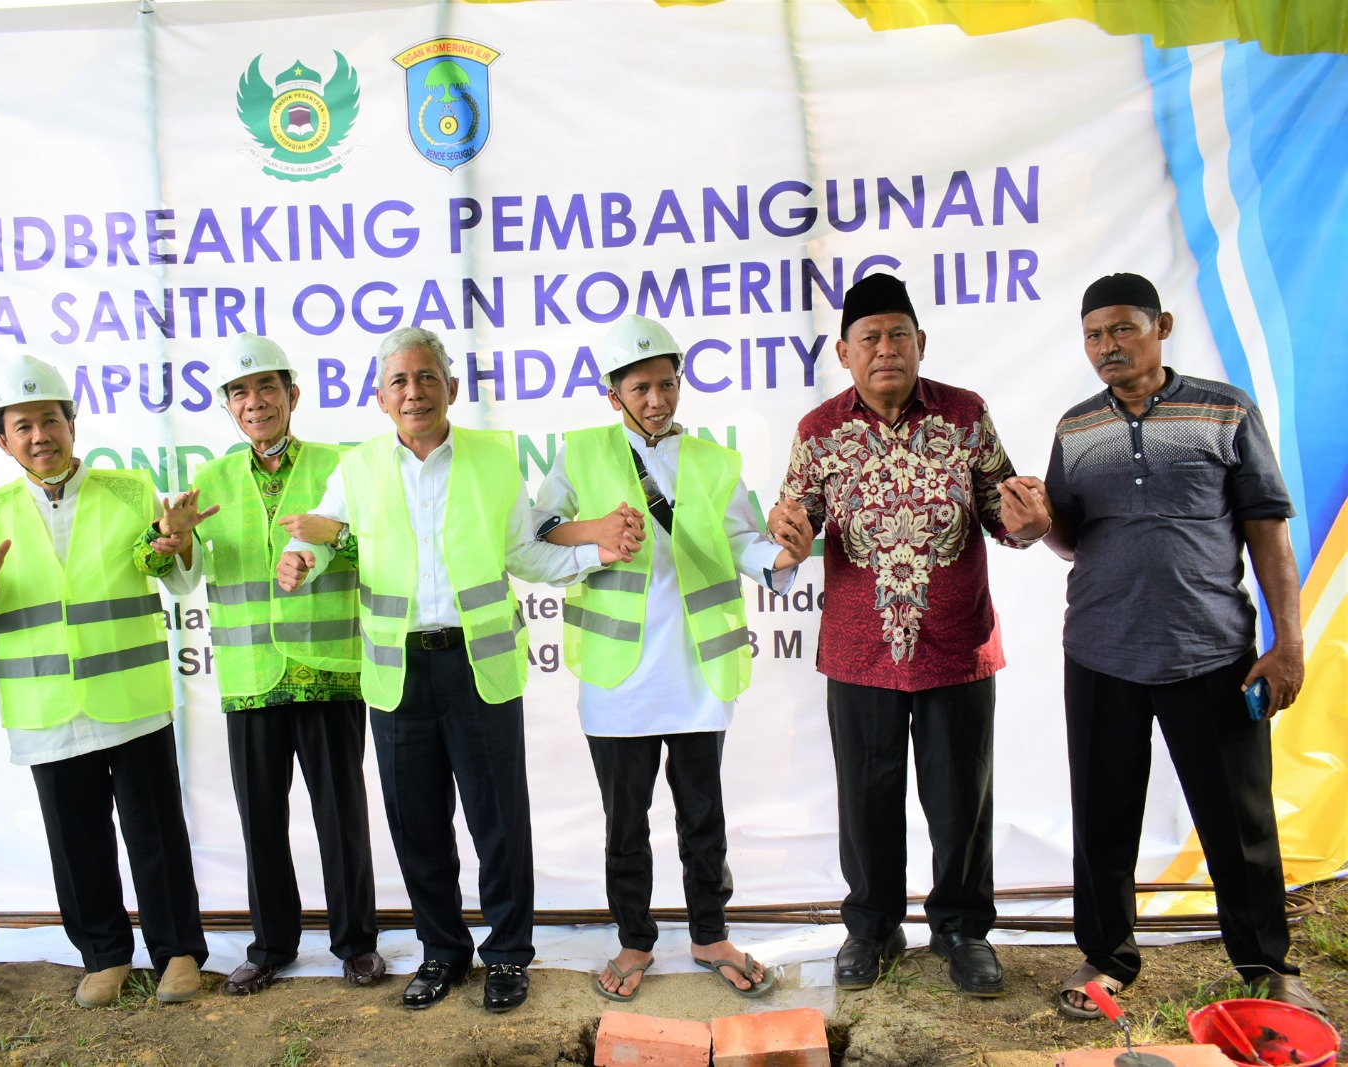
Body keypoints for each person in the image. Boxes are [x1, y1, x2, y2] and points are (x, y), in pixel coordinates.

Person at [275, 327, 627, 1014]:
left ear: (451, 388)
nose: (414, 391)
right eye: (400, 381)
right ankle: (442, 951)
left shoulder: (495, 459)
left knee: (498, 818)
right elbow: (319, 535)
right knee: (417, 822)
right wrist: (298, 561)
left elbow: (528, 553)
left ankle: (507, 955)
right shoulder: (358, 467)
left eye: (427, 377)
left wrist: (595, 555)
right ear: (381, 398)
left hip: (479, 663)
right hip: (398, 670)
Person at [1034, 272, 1326, 1020]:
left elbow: (1268, 531)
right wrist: (1037, 525)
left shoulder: (1225, 410)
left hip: (1212, 649)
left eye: (1123, 328)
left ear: (1160, 325)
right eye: (1095, 334)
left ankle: (1265, 963)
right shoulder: (1075, 428)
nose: (1108, 346)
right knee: (1102, 817)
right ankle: (1106, 956)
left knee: (1239, 820)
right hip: (1101, 648)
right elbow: (1070, 536)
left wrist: (1286, 643)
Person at [770, 273, 1048, 998]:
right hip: (859, 651)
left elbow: (1003, 511)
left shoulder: (965, 415)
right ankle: (872, 927)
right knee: (866, 799)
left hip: (957, 645)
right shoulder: (819, 431)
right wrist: (787, 539)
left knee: (961, 798)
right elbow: (792, 523)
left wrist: (1029, 524)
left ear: (920, 343)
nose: (886, 348)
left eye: (899, 335)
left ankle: (962, 929)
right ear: (844, 351)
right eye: (870, 338)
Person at [535, 314, 812, 1002]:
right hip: (616, 677)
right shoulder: (580, 453)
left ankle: (710, 931)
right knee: (624, 823)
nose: (656, 399)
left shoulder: (716, 462)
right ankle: (634, 938)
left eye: (666, 384)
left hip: (697, 671)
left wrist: (784, 556)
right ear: (613, 394)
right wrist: (596, 537)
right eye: (640, 387)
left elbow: (746, 541)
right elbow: (535, 537)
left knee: (702, 816)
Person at [0, 354, 212, 1008]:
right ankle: (104, 954)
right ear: (4, 440)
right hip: (47, 708)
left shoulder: (130, 490)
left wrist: (176, 547)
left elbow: (171, 572)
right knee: (76, 841)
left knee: (156, 834)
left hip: (132, 700)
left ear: (73, 423)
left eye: (51, 420)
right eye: (23, 425)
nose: (41, 435)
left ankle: (177, 951)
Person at [188, 333, 384, 994]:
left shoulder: (342, 465)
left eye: (266, 387)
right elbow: (177, 570)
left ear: (292, 395)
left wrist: (338, 539)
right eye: (240, 392)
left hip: (328, 668)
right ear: (227, 406)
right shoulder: (209, 480)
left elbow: (377, 545)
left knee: (341, 814)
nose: (254, 401)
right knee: (261, 820)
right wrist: (170, 541)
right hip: (250, 680)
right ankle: (271, 944)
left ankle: (356, 942)